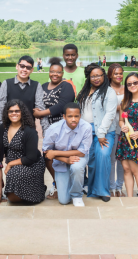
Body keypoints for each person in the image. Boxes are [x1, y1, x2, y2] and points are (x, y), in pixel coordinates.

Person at [33, 58, 76, 199]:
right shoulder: (43, 86)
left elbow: (63, 105)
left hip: (64, 128)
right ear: (49, 72)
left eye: (58, 72)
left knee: (63, 155)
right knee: (48, 156)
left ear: (62, 73)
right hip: (48, 128)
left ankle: (71, 184)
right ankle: (58, 184)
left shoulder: (66, 85)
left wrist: (41, 113)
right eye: (52, 71)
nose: (55, 74)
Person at [0, 100, 46, 204]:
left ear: (22, 112)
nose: (14, 113)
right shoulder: (5, 127)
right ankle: (30, 192)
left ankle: (35, 193)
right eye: (10, 111)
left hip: (32, 164)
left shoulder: (30, 131)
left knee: (13, 177)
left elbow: (31, 158)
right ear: (7, 113)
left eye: (17, 111)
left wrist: (10, 164)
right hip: (15, 167)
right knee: (12, 197)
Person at [76, 64, 118, 202]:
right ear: (89, 77)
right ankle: (93, 190)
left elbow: (110, 114)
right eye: (93, 76)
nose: (96, 78)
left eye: (99, 75)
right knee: (92, 161)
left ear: (104, 76)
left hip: (104, 132)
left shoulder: (109, 92)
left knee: (103, 156)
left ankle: (103, 191)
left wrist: (101, 134)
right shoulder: (85, 90)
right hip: (86, 131)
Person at [42, 103, 92, 206]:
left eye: (76, 116)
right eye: (70, 116)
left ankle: (77, 195)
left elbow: (82, 152)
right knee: (63, 201)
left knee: (76, 168)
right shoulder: (53, 129)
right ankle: (71, 183)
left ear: (80, 116)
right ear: (64, 116)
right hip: (60, 161)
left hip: (79, 157)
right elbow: (47, 153)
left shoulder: (86, 127)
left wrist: (55, 152)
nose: (73, 119)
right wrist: (65, 160)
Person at [0, 56, 48, 132]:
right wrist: (3, 129)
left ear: (32, 70)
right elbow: (0, 108)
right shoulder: (6, 83)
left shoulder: (36, 86)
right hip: (10, 129)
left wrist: (45, 133)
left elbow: (41, 109)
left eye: (28, 67)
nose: (24, 69)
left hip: (29, 130)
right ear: (17, 66)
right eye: (22, 66)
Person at [108, 64, 125, 197]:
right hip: (111, 127)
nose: (119, 76)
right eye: (116, 74)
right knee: (112, 158)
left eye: (120, 73)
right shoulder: (106, 90)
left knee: (122, 159)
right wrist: (120, 107)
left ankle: (119, 187)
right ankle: (111, 187)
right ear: (110, 75)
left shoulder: (127, 88)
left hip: (125, 127)